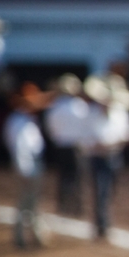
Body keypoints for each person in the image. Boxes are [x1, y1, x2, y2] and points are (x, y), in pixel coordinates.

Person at [78, 74, 129, 240]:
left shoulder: (120, 113)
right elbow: (85, 140)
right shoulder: (90, 114)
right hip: (97, 157)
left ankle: (103, 222)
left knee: (109, 190)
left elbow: (125, 133)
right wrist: (99, 145)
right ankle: (102, 225)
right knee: (101, 190)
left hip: (114, 157)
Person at [3, 82, 54, 249]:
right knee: (26, 203)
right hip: (27, 166)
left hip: (31, 164)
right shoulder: (19, 121)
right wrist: (24, 169)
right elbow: (19, 148)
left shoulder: (26, 120)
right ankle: (23, 236)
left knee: (31, 203)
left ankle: (32, 235)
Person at [45, 73, 89, 216]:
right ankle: (76, 207)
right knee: (76, 177)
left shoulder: (55, 106)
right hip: (76, 146)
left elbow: (50, 127)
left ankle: (63, 206)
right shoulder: (79, 106)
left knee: (63, 176)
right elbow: (86, 127)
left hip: (60, 145)